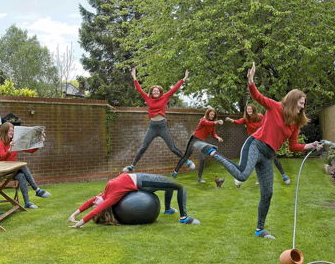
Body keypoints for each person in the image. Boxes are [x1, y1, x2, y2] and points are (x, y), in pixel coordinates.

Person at [196, 63, 322, 240]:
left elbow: (293, 146)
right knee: (242, 175)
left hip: (268, 155)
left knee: (268, 193)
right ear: (293, 101)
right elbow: (257, 96)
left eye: (303, 105)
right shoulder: (275, 107)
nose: (302, 107)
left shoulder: (295, 123)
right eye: (300, 103)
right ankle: (214, 153)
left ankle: (260, 230)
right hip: (255, 144)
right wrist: (250, 80)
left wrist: (310, 145)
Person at [122, 68, 195, 173]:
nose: (155, 92)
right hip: (152, 126)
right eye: (153, 91)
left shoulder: (165, 97)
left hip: (162, 127)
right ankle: (132, 166)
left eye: (157, 91)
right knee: (143, 147)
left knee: (173, 148)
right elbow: (139, 89)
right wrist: (134, 77)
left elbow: (174, 89)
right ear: (151, 92)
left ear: (160, 92)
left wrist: (184, 78)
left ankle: (187, 161)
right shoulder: (148, 99)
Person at [67, 172, 200, 228]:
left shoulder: (103, 194)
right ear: (103, 206)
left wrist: (73, 215)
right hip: (143, 182)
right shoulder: (110, 199)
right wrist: (79, 224)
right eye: (95, 204)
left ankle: (167, 209)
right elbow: (95, 211)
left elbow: (88, 203)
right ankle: (184, 217)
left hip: (140, 178)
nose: (94, 202)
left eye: (94, 202)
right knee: (179, 186)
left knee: (169, 184)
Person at [226, 104, 291, 186]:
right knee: (256, 160)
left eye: (250, 109)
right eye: (247, 109)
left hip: (264, 139)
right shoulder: (246, 119)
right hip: (254, 142)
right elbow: (238, 122)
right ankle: (259, 179)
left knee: (274, 157)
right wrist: (230, 120)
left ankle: (283, 175)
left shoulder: (259, 116)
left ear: (253, 109)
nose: (249, 110)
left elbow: (266, 123)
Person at [0, 122, 51, 209]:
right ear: (5, 131)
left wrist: (39, 144)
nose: (12, 133)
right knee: (23, 166)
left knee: (21, 176)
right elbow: (2, 157)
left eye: (13, 131)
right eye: (10, 131)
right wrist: (10, 149)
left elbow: (29, 151)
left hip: (11, 170)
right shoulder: (0, 143)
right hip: (1, 171)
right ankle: (37, 189)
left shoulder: (14, 142)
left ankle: (27, 202)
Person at [172, 107, 223, 183]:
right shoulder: (203, 120)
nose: (212, 116)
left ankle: (199, 178)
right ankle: (175, 171)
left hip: (202, 142)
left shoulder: (213, 124)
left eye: (213, 115)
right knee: (186, 156)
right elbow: (207, 123)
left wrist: (218, 137)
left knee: (202, 159)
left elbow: (213, 133)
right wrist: (217, 122)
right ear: (208, 114)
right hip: (194, 140)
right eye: (211, 114)